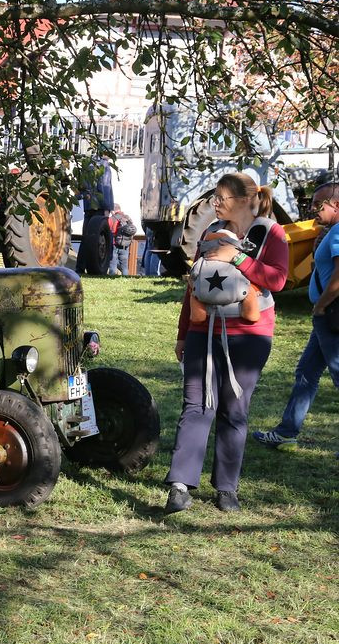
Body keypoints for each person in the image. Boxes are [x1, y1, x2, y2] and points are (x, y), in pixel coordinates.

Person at [164, 172, 290, 513]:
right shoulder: (210, 231)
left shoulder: (270, 233)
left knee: (234, 411)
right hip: (203, 332)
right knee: (196, 405)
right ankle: (179, 485)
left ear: (245, 199)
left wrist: (235, 257)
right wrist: (182, 332)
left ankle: (226, 488)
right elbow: (195, 285)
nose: (215, 203)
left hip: (249, 336)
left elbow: (278, 280)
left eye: (221, 197)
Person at [252, 182, 339, 453]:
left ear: (335, 205)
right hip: (324, 316)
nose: (313, 209)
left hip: (330, 315)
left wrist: (321, 305)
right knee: (306, 373)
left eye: (318, 204)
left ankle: (287, 431)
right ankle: (287, 432)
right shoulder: (330, 233)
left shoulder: (337, 233)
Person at [108, 204, 137, 275]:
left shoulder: (111, 219)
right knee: (124, 266)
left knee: (113, 265)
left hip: (114, 244)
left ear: (113, 210)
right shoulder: (127, 218)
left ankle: (111, 279)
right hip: (125, 244)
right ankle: (125, 280)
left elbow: (109, 231)